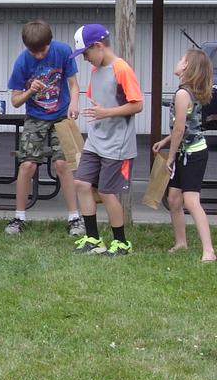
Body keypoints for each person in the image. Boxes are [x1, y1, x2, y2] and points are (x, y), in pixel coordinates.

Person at [5, 20, 84, 236]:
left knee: (63, 163)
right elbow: (15, 101)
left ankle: (74, 218)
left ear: (49, 43)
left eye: (42, 50)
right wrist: (30, 91)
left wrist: (74, 105)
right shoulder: (22, 62)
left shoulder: (63, 51)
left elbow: (74, 85)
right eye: (34, 51)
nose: (39, 55)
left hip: (61, 115)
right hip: (35, 116)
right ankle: (19, 218)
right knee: (27, 165)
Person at [71, 24, 143, 256]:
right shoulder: (96, 70)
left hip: (117, 144)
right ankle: (93, 239)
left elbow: (138, 104)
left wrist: (107, 113)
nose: (84, 59)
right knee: (81, 184)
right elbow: (98, 100)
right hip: (96, 140)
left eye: (85, 54)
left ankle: (121, 243)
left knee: (106, 192)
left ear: (98, 46)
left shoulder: (121, 69)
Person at [152, 49, 215, 262]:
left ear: (186, 66)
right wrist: (165, 141)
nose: (178, 61)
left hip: (193, 154)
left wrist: (170, 157)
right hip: (185, 151)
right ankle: (181, 242)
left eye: (181, 59)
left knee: (191, 200)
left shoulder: (182, 94)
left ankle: (209, 251)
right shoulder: (189, 91)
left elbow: (180, 130)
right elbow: (187, 127)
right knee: (174, 198)